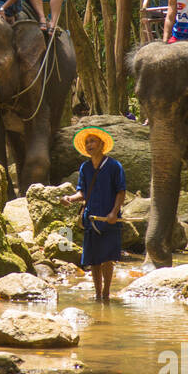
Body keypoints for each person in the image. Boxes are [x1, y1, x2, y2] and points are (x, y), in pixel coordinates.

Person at [63, 127, 126, 300]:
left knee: (107, 258)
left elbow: (121, 191)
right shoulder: (85, 168)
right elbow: (82, 193)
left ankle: (106, 293)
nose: (89, 145)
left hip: (109, 219)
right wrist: (70, 198)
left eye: (93, 141)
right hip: (91, 218)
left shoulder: (114, 166)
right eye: (87, 142)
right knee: (94, 260)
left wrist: (114, 213)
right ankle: (97, 294)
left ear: (102, 144)